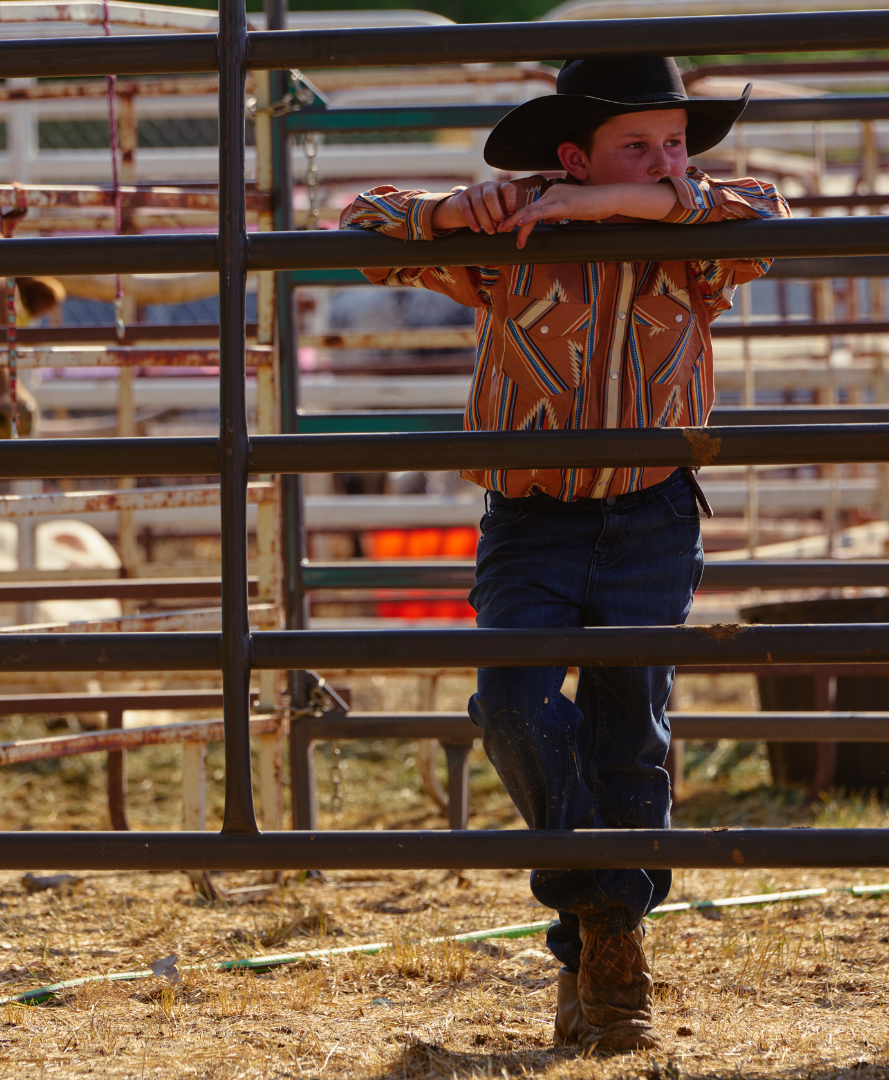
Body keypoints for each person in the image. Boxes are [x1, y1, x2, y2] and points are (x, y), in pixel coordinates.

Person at [340, 56, 790, 1053]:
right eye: (639, 144)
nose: (668, 162)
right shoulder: (509, 241)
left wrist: (631, 195)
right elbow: (361, 227)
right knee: (511, 705)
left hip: (652, 514)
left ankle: (604, 958)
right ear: (573, 154)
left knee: (632, 729)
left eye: (677, 144)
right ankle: (604, 921)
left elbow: (767, 212)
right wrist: (466, 208)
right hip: (532, 517)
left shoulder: (689, 243)